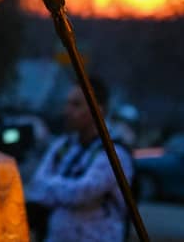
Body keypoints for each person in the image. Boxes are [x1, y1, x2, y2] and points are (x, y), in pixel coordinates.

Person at [25, 76, 135, 242]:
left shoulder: (115, 153)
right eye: (67, 103)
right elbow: (36, 186)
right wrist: (64, 189)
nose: (67, 110)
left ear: (99, 110)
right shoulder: (62, 145)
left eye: (76, 105)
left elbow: (82, 192)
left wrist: (52, 186)